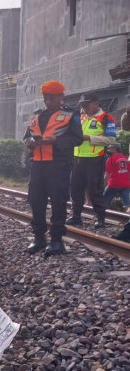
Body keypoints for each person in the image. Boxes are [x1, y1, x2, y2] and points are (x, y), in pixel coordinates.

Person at [23, 80, 83, 256]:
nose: (48, 102)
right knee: (36, 200)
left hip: (59, 165)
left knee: (58, 201)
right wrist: (30, 142)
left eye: (51, 98)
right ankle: (39, 238)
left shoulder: (70, 114)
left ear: (61, 97)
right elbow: (26, 137)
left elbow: (77, 139)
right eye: (45, 99)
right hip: (38, 165)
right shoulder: (36, 115)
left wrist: (56, 141)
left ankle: (57, 241)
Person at [66, 92, 117, 229]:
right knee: (75, 188)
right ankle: (76, 216)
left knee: (95, 189)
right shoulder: (80, 118)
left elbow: (111, 139)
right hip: (78, 158)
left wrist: (90, 138)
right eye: (82, 105)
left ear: (95, 104)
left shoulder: (106, 118)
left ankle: (100, 218)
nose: (84, 108)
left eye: (86, 105)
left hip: (95, 159)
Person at [103, 143, 130, 211]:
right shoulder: (126, 158)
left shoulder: (111, 159)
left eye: (110, 148)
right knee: (127, 204)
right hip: (126, 184)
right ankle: (127, 217)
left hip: (113, 184)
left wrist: (103, 183)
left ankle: (105, 216)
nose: (108, 149)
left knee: (104, 201)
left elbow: (107, 174)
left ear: (115, 149)